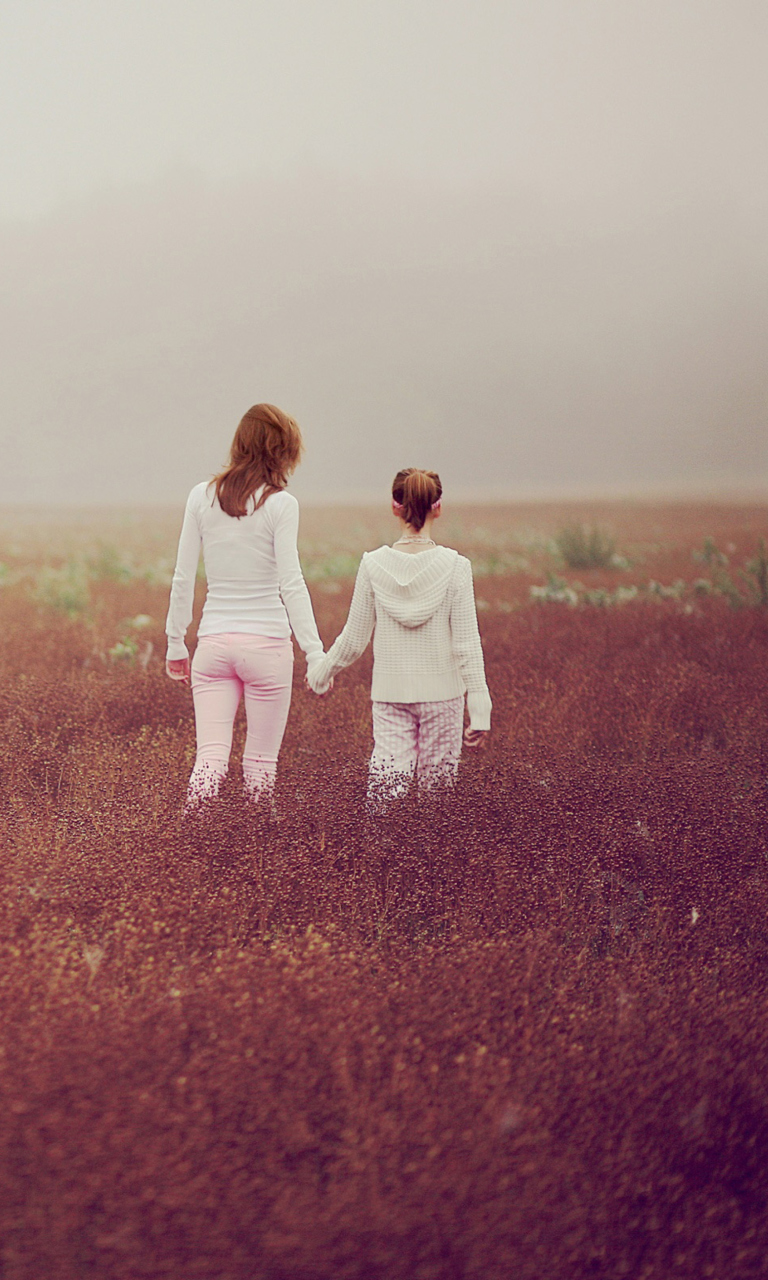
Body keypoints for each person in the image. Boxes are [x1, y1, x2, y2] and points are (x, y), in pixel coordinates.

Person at [165, 403, 325, 805]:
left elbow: (183, 575)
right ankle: (258, 853)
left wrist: (174, 642)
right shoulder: (281, 504)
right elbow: (292, 582)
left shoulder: (201, 497)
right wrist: (314, 652)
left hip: (213, 646)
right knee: (260, 763)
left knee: (209, 759)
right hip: (266, 646)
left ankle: (189, 846)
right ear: (283, 449)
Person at [306, 468, 491, 801]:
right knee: (438, 799)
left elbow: (353, 639)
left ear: (395, 506)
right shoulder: (455, 566)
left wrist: (321, 672)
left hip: (389, 695)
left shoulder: (373, 564)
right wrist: (480, 708)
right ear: (438, 507)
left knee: (386, 792)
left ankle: (382, 852)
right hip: (444, 696)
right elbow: (467, 645)